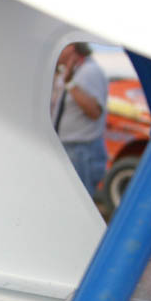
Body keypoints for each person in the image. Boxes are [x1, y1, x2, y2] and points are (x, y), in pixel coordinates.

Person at [52, 42, 109, 196]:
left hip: (81, 152)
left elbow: (94, 112)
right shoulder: (75, 71)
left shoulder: (90, 71)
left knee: (75, 198)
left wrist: (70, 83)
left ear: (71, 47)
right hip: (72, 150)